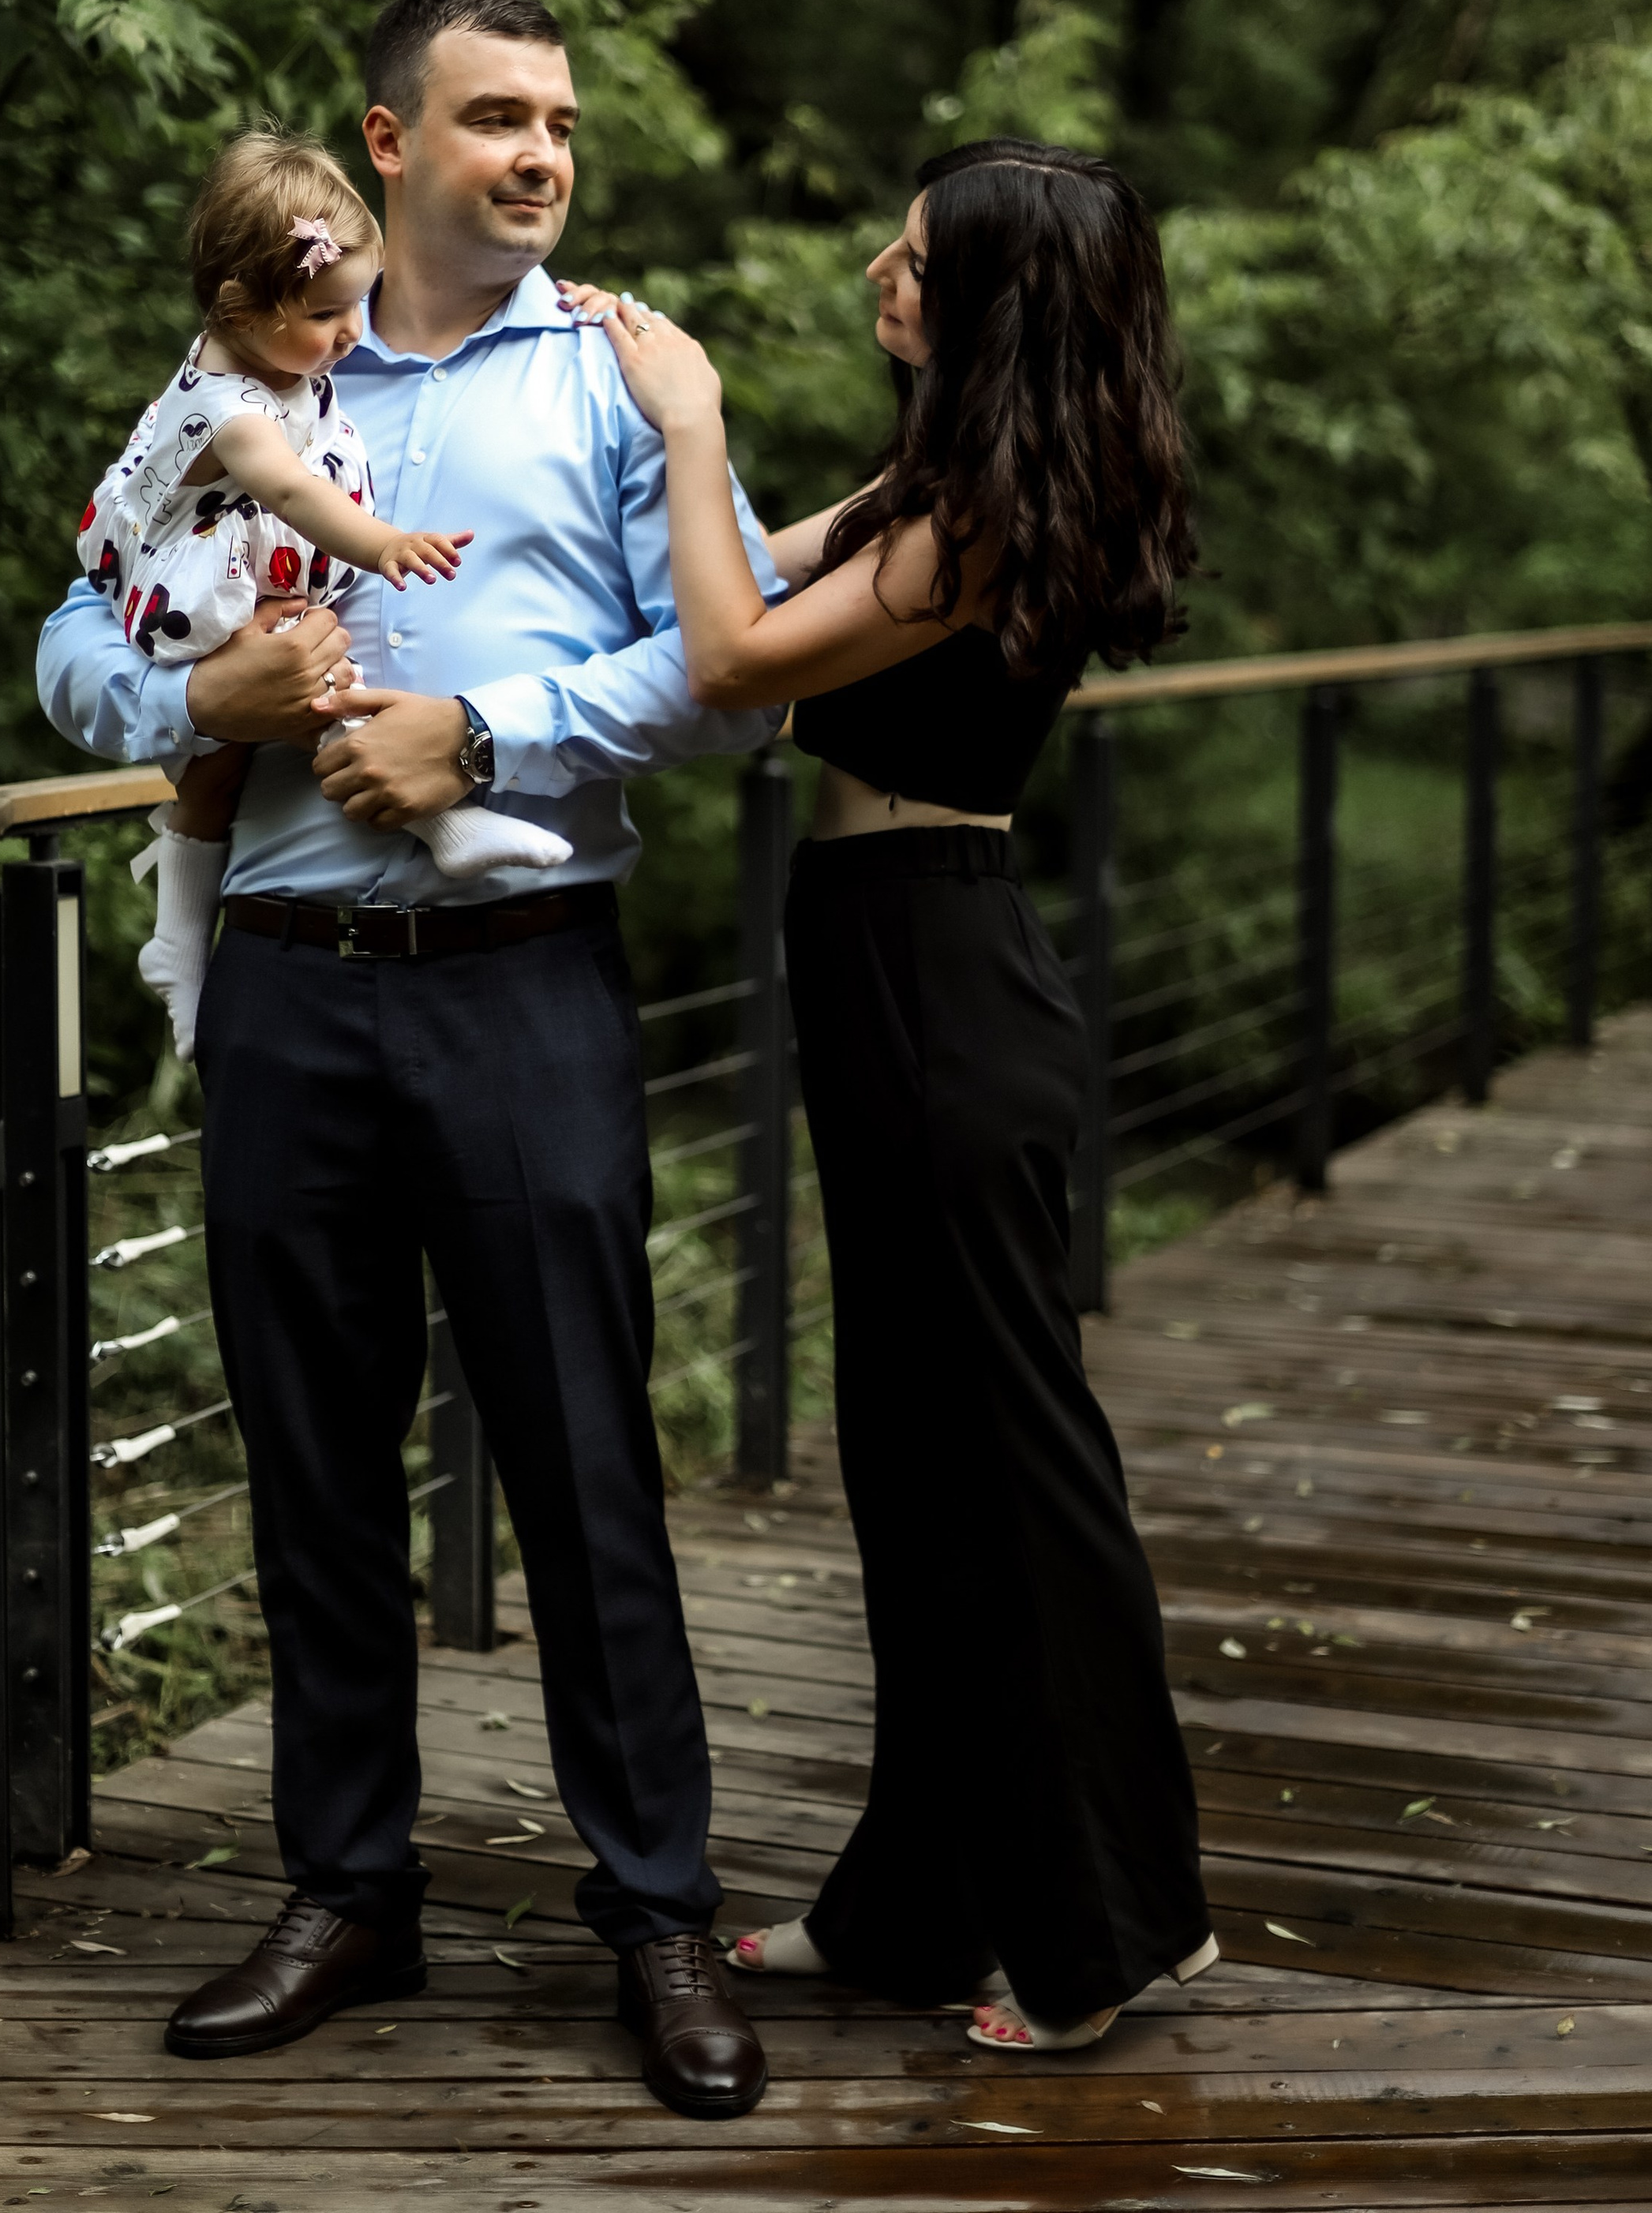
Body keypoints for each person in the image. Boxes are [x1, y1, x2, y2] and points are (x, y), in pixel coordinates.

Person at [38, 0, 777, 2121]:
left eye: (559, 122)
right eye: (495, 117)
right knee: (313, 1458)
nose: (539, 154)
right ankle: (351, 1889)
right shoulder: (252, 359)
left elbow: (731, 676)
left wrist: (491, 731)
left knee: (584, 1458)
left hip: (523, 974)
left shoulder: (621, 375)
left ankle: (658, 1908)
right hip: (285, 987)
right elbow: (79, 616)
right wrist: (191, 707)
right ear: (388, 142)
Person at [565, 137, 1216, 2054]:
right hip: (884, 961)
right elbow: (735, 581)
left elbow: (732, 658)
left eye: (918, 261)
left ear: (995, 304)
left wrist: (692, 411)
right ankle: (921, 1904)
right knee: (913, 1456)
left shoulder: (991, 517)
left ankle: (1109, 1928)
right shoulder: (934, 484)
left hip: (935, 977)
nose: (879, 270)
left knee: (1004, 1466)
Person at [79, 125, 568, 1058]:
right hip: (197, 580)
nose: (351, 331)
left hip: (229, 552)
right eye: (326, 312)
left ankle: (176, 942)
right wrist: (387, 545)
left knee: (220, 766)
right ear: (241, 307)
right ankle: (441, 823)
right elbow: (294, 492)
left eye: (360, 304)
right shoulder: (231, 408)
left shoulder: (266, 355)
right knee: (306, 676)